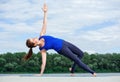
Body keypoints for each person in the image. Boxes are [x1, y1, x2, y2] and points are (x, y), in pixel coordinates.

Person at [23, 3, 96, 77]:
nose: (34, 38)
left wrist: (45, 12)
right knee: (76, 60)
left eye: (32, 38)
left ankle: (72, 70)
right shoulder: (42, 49)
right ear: (34, 44)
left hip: (64, 42)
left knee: (81, 54)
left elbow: (44, 23)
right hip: (62, 49)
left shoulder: (41, 35)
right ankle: (92, 72)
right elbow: (43, 63)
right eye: (33, 40)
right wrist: (41, 74)